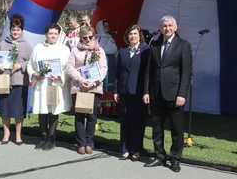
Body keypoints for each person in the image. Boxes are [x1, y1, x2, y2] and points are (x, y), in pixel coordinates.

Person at [143, 15, 192, 172]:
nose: (167, 28)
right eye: (165, 26)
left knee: (177, 129)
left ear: (175, 27)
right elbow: (148, 71)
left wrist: (182, 94)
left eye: (170, 25)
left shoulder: (183, 45)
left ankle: (175, 158)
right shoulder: (155, 45)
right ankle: (159, 156)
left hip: (174, 94)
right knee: (157, 128)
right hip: (156, 93)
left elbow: (186, 72)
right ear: (161, 27)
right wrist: (146, 91)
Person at [27, 23, 71, 151]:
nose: (53, 36)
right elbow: (30, 64)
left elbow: (68, 68)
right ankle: (43, 136)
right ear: (46, 34)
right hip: (41, 84)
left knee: (53, 111)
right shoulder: (38, 48)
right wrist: (34, 74)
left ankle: (51, 138)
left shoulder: (64, 49)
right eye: (51, 33)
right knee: (42, 111)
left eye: (55, 34)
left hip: (55, 84)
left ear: (59, 35)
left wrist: (60, 77)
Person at [66, 26, 108, 154]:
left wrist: (93, 83)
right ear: (81, 38)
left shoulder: (99, 50)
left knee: (91, 116)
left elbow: (103, 68)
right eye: (85, 38)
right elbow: (69, 67)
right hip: (78, 87)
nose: (88, 40)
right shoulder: (75, 50)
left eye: (90, 37)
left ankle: (89, 142)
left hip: (93, 88)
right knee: (79, 116)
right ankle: (81, 143)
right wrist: (80, 79)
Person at [113, 24, 150, 161]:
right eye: (130, 34)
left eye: (135, 34)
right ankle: (125, 149)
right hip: (124, 92)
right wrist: (116, 90)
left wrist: (147, 92)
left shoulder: (145, 50)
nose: (133, 36)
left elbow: (147, 73)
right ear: (127, 36)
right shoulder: (122, 51)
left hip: (139, 92)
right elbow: (117, 73)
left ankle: (136, 150)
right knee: (125, 121)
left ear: (139, 35)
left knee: (138, 122)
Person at [0, 14, 32, 145]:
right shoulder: (3, 43)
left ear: (22, 30)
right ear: (10, 30)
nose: (15, 32)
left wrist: (20, 65)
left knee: (18, 110)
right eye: (13, 29)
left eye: (18, 29)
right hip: (4, 80)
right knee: (5, 109)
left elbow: (30, 62)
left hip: (19, 81)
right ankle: (6, 134)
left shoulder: (27, 45)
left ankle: (18, 135)